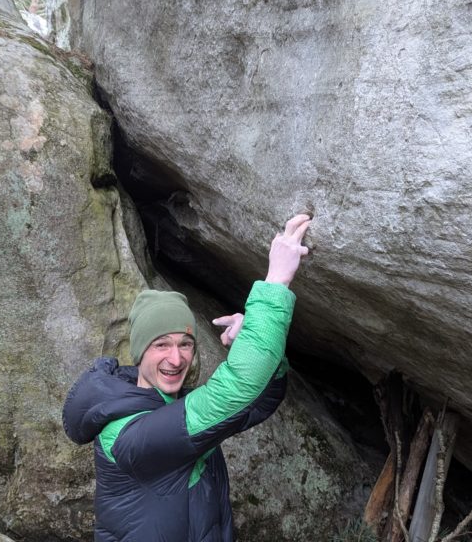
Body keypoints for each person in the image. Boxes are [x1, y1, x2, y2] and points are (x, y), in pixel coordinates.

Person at [62, 214, 311, 541]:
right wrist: (276, 281)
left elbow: (258, 403)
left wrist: (261, 347)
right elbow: (235, 389)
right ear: (139, 353)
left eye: (186, 345)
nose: (176, 358)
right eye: (161, 345)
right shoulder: (130, 439)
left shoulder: (169, 407)